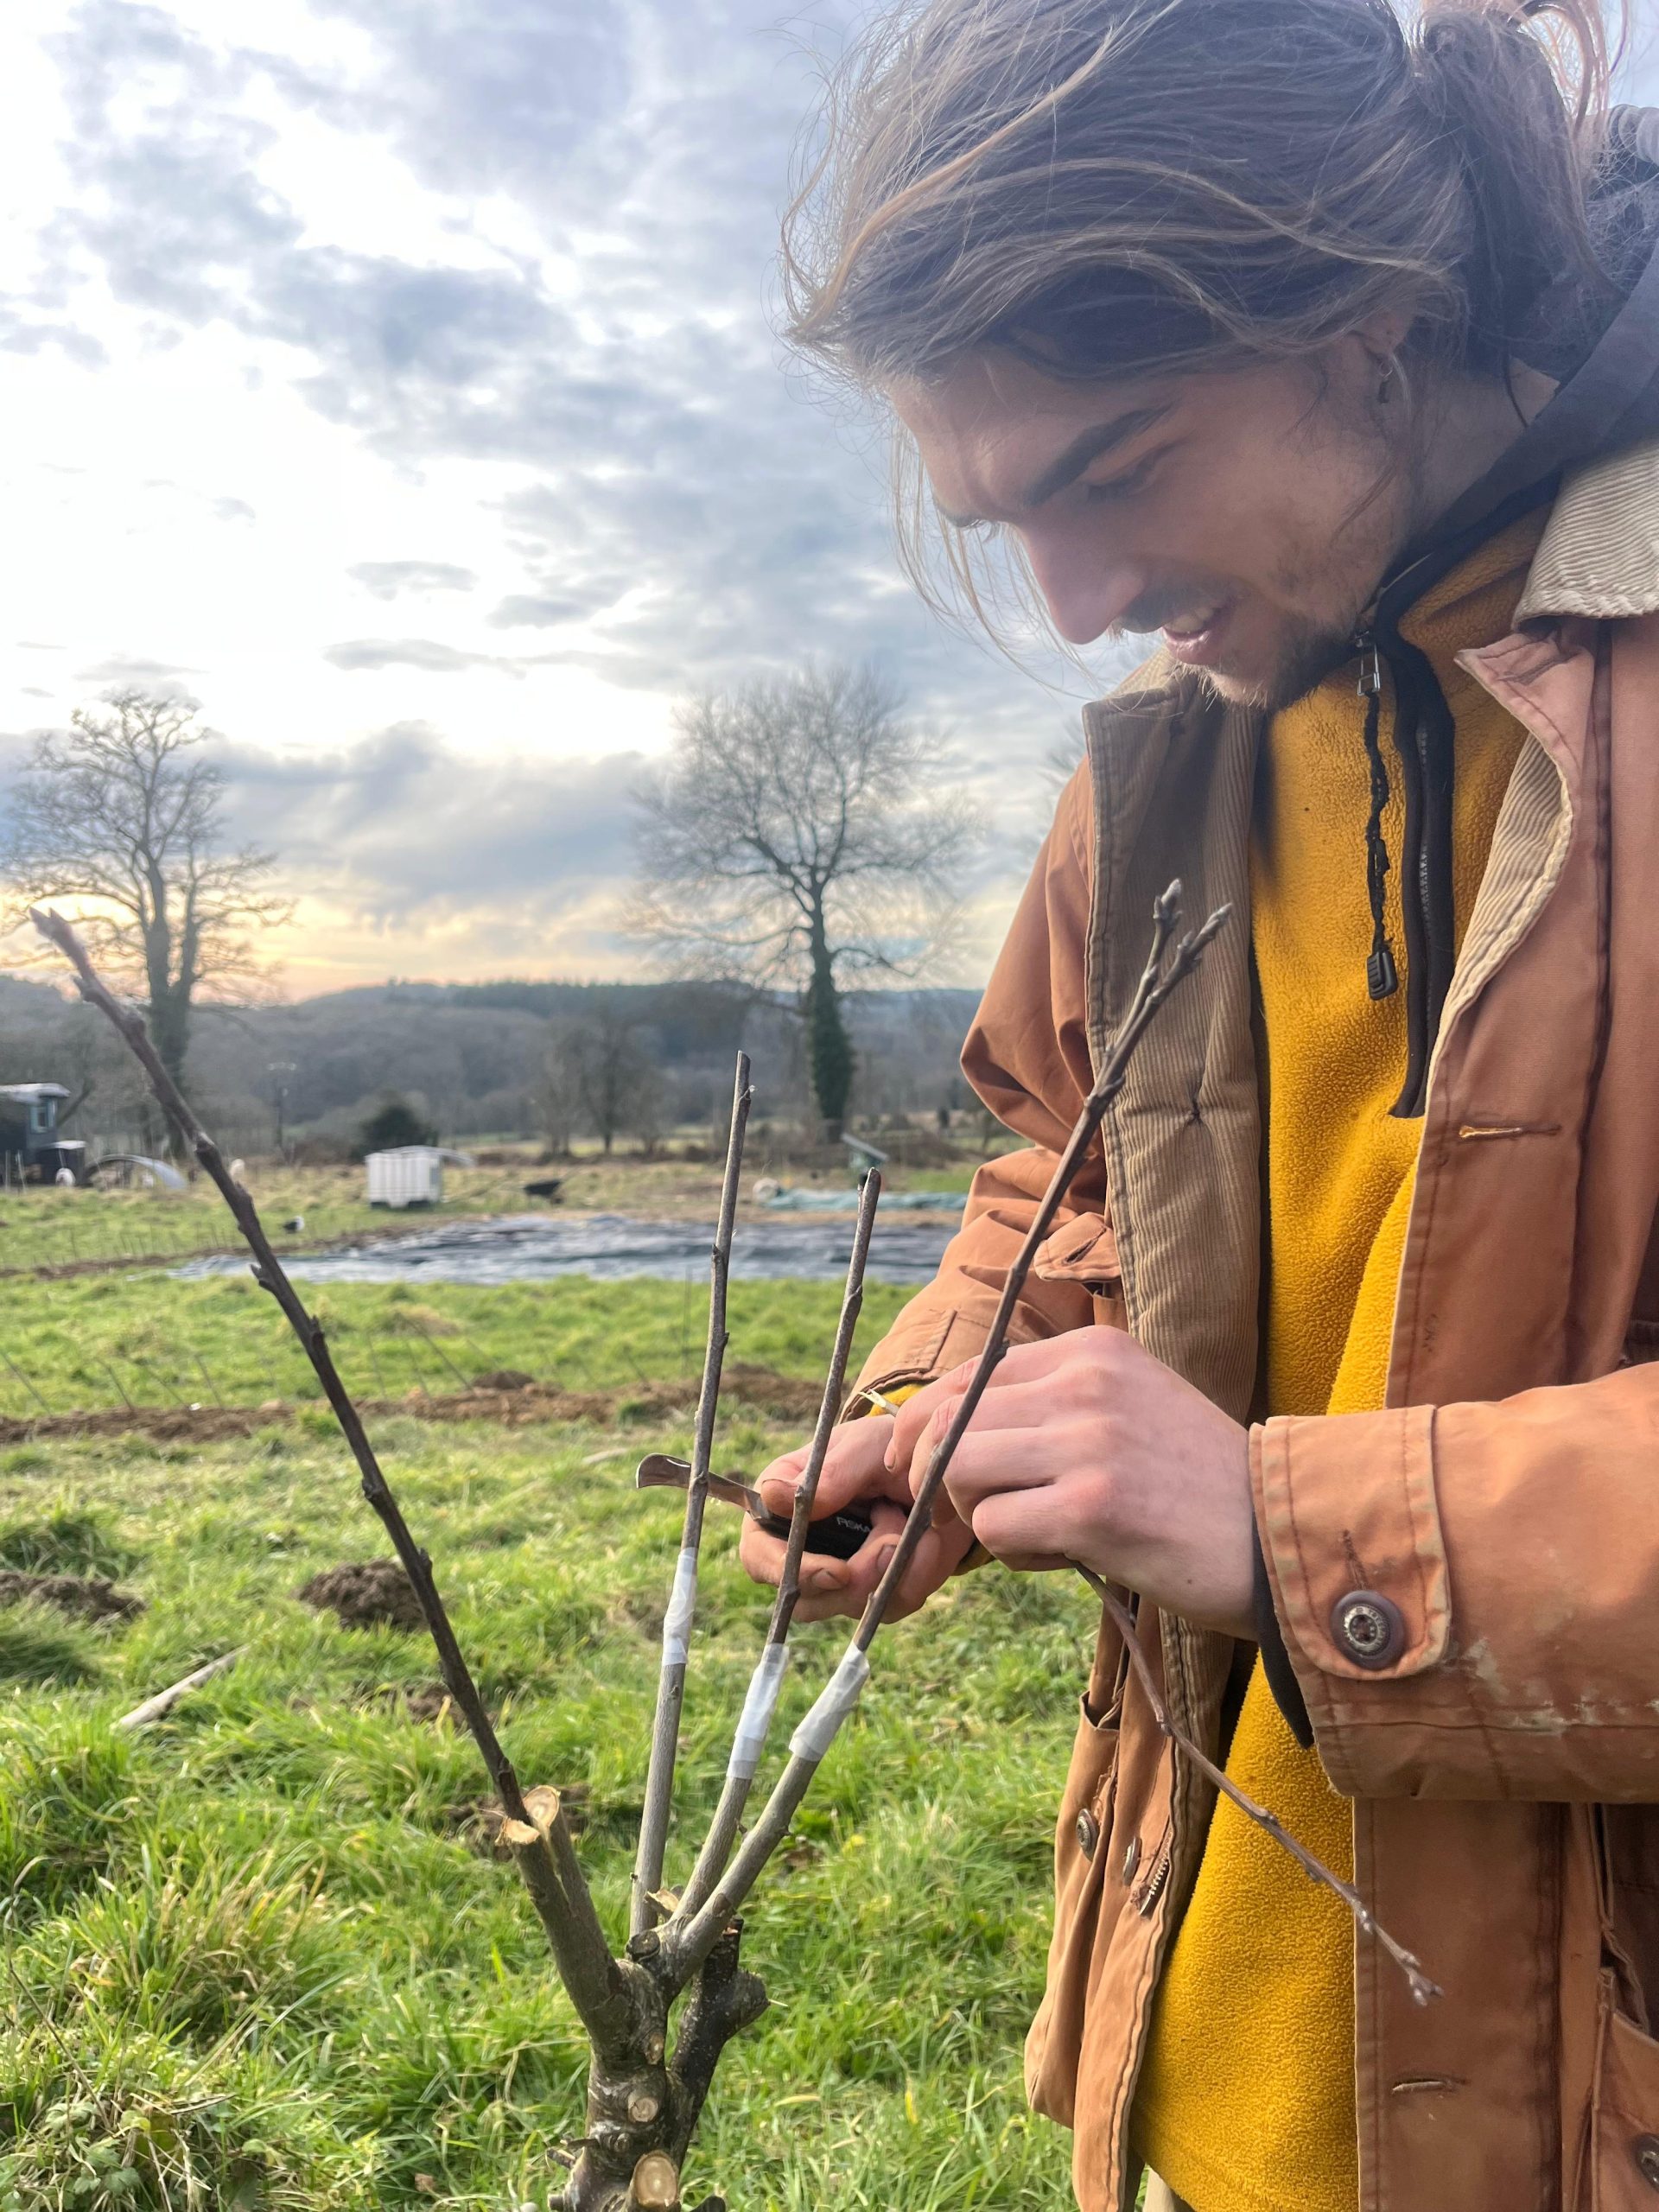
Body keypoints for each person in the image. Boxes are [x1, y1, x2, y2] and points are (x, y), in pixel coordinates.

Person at [736, 4, 1659, 2209]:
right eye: (999, 511)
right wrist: (945, 1417)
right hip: (1212, 2076)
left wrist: (1288, 1530)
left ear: (1370, 323)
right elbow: (1057, 1168)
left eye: (1114, 465)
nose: (1077, 600)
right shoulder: (1190, 748)